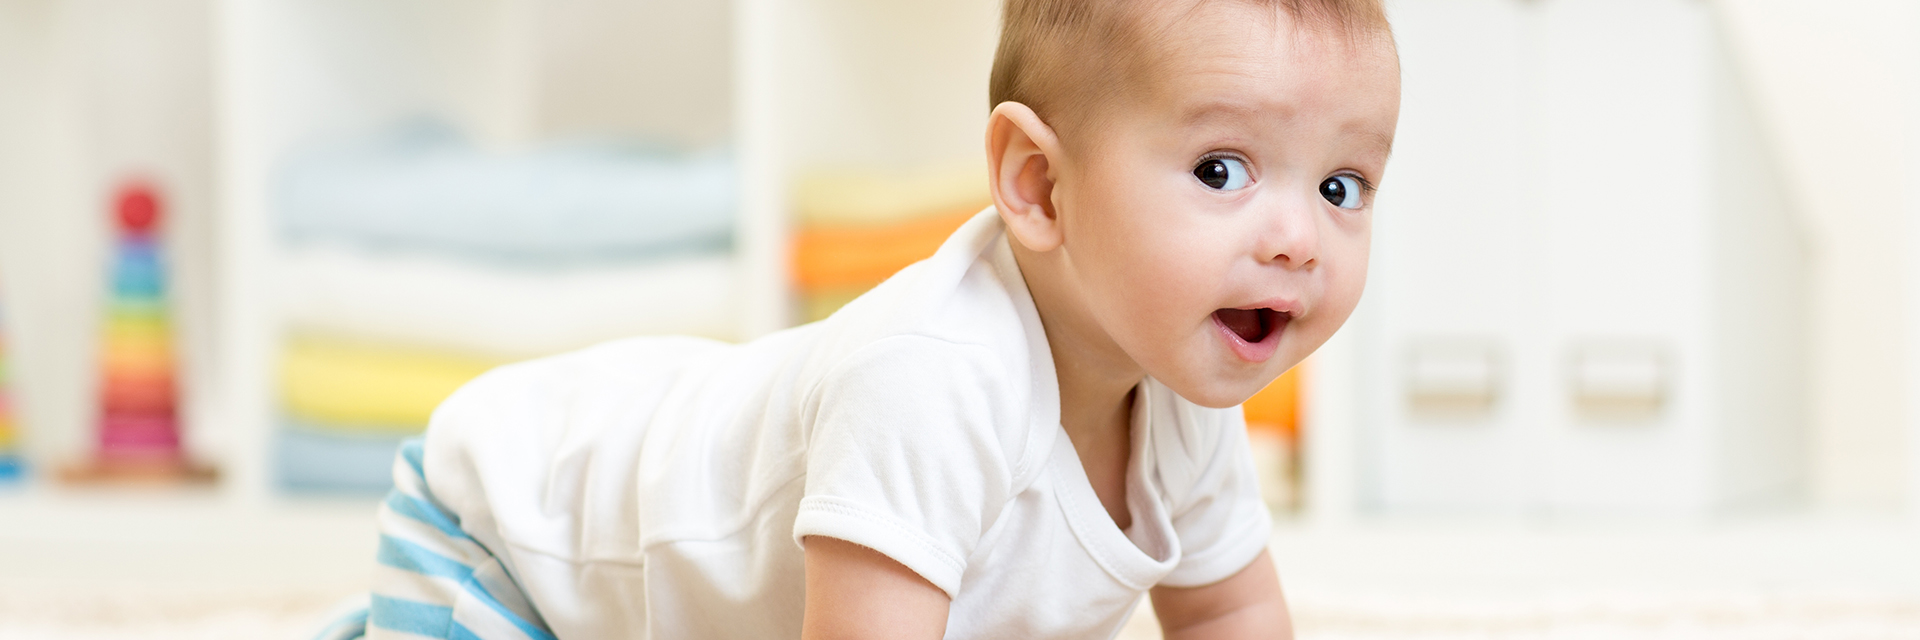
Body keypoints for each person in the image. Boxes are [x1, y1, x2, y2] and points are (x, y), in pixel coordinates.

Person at [350, 0, 1399, 638]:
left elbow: (1225, 614)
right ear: (1038, 184)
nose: (1300, 237)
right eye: (1224, 170)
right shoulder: (931, 380)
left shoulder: (1177, 383)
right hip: (513, 541)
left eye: (1342, 186)